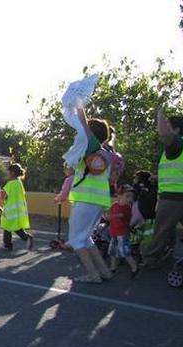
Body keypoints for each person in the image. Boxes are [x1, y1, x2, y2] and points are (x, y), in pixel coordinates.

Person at [67, 108, 114, 284]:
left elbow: (85, 130)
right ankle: (104, 271)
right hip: (99, 200)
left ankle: (93, 274)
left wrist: (80, 108)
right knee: (85, 237)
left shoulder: (92, 147)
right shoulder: (104, 152)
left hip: (87, 199)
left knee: (75, 239)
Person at [141, 111, 183, 268]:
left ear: (177, 130)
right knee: (168, 230)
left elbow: (165, 135)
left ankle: (150, 260)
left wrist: (160, 114)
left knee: (161, 230)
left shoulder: (178, 143)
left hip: (173, 197)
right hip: (178, 194)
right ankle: (168, 251)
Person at [0, 163, 34, 251]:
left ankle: (24, 238)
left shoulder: (10, 184)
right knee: (12, 226)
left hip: (10, 209)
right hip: (18, 209)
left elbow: (3, 194)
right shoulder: (19, 183)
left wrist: (0, 200)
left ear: (13, 173)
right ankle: (8, 244)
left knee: (8, 226)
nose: (7, 174)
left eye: (8, 172)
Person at [106, 185, 140, 278]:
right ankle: (113, 267)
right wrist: (106, 214)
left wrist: (110, 216)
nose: (130, 199)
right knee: (112, 251)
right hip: (114, 232)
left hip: (122, 234)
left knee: (125, 252)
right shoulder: (114, 205)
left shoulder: (127, 207)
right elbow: (109, 213)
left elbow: (120, 215)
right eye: (127, 196)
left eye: (131, 197)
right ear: (119, 196)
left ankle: (135, 268)